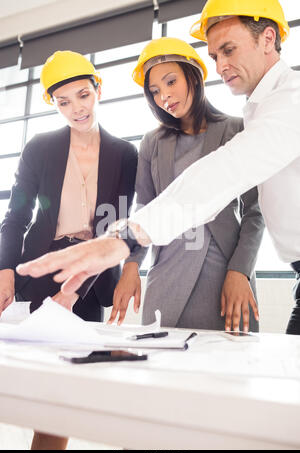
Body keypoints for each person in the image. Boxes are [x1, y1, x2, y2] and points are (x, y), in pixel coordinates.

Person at [17, 0, 300, 334]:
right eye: (215, 56)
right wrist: (131, 262)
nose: (222, 65)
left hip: (221, 269)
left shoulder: (287, 103)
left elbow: (222, 175)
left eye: (229, 49)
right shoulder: (258, 108)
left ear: (268, 38)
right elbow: (147, 200)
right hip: (172, 270)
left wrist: (123, 238)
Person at [0, 50, 137, 449]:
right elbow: (16, 216)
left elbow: (124, 225)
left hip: (92, 278)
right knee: (46, 391)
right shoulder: (39, 148)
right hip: (44, 269)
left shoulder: (125, 154)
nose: (76, 108)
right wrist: (5, 268)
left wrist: (128, 267)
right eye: (63, 102)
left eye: (83, 95)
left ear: (98, 90)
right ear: (53, 104)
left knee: (75, 387)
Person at [109, 37, 264, 331]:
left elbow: (255, 211)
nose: (164, 96)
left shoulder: (236, 130)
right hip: (167, 274)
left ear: (192, 75)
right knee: (161, 368)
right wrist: (131, 265)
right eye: (154, 91)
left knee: (230, 368)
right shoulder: (152, 143)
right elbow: (144, 207)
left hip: (226, 276)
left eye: (170, 82)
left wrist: (240, 271)